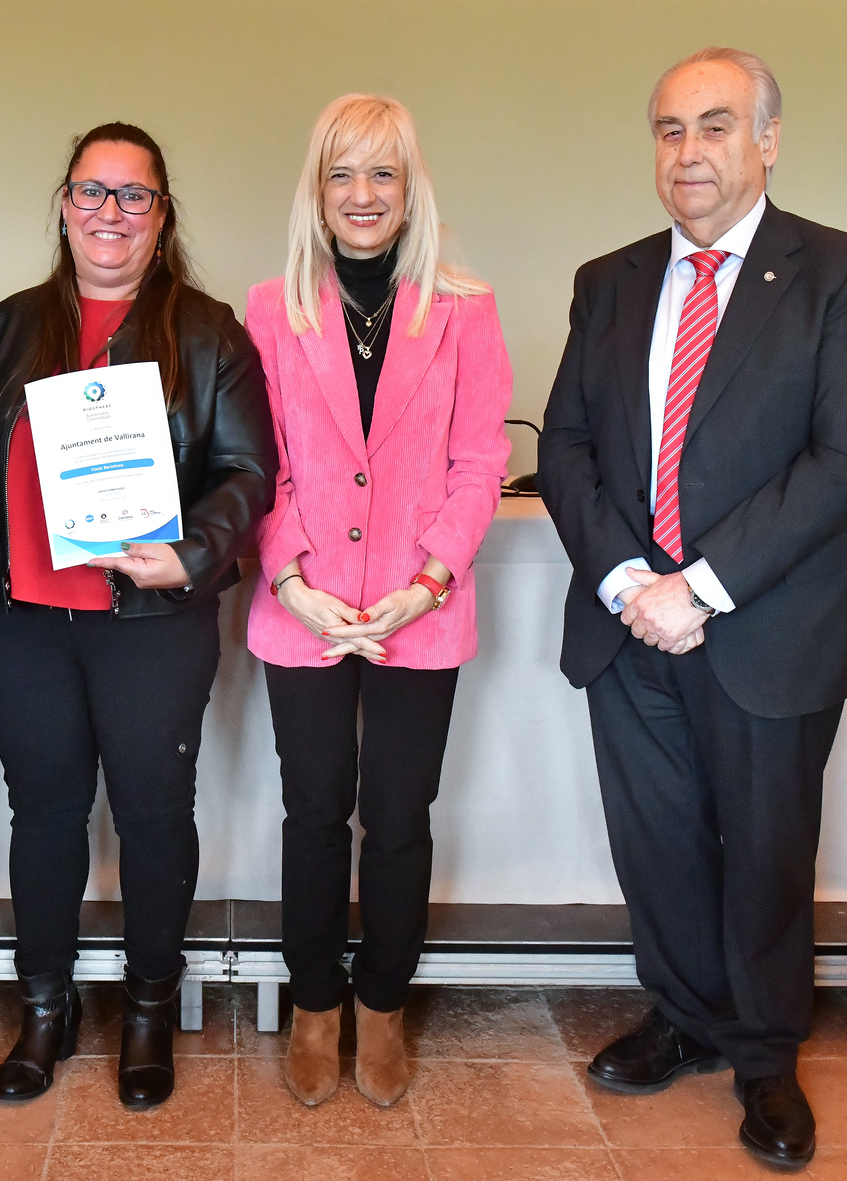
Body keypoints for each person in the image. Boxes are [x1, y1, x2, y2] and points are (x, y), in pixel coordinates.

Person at [536, 47, 847, 1171]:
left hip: (768, 622)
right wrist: (626, 584)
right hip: (625, 624)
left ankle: (764, 1053)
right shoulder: (607, 280)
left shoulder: (843, 272)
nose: (687, 152)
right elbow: (565, 446)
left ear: (767, 141)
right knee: (656, 842)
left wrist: (693, 588)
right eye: (668, 130)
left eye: (713, 125)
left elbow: (844, 460)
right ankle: (685, 1016)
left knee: (765, 848)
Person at [0, 122, 276, 1109]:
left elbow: (249, 471)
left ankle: (148, 1008)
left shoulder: (209, 332)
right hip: (27, 621)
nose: (110, 212)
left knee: (152, 816)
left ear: (161, 214)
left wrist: (190, 552)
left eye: (133, 194)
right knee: (44, 815)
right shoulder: (1, 331)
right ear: (64, 205)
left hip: (152, 622)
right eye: (91, 192)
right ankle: (45, 1008)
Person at [244, 94, 512, 1109]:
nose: (362, 194)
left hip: (420, 607)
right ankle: (315, 1003)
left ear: (410, 187)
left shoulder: (464, 308)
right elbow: (257, 461)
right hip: (302, 606)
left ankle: (384, 1003)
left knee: (398, 817)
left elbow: (480, 459)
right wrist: (290, 577)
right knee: (313, 812)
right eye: (341, 173)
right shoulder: (269, 308)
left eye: (382, 172)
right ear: (316, 191)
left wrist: (429, 579)